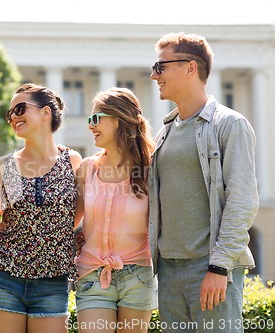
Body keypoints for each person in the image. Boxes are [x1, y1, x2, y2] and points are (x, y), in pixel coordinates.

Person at [149, 32, 259, 332]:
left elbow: (242, 200)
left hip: (210, 267)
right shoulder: (164, 134)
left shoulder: (230, 124)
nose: (153, 75)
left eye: (160, 67)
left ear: (190, 67)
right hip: (168, 272)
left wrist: (219, 266)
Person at [0, 83, 82, 333]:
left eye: (21, 108)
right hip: (3, 277)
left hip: (52, 281)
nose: (14, 116)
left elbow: (77, 213)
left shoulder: (73, 161)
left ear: (46, 113)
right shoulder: (3, 166)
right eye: (10, 113)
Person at [74, 87, 157, 333]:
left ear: (119, 119)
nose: (90, 125)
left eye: (96, 118)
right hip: (92, 273)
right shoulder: (88, 168)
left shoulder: (151, 169)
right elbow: (68, 221)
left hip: (138, 275)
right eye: (89, 119)